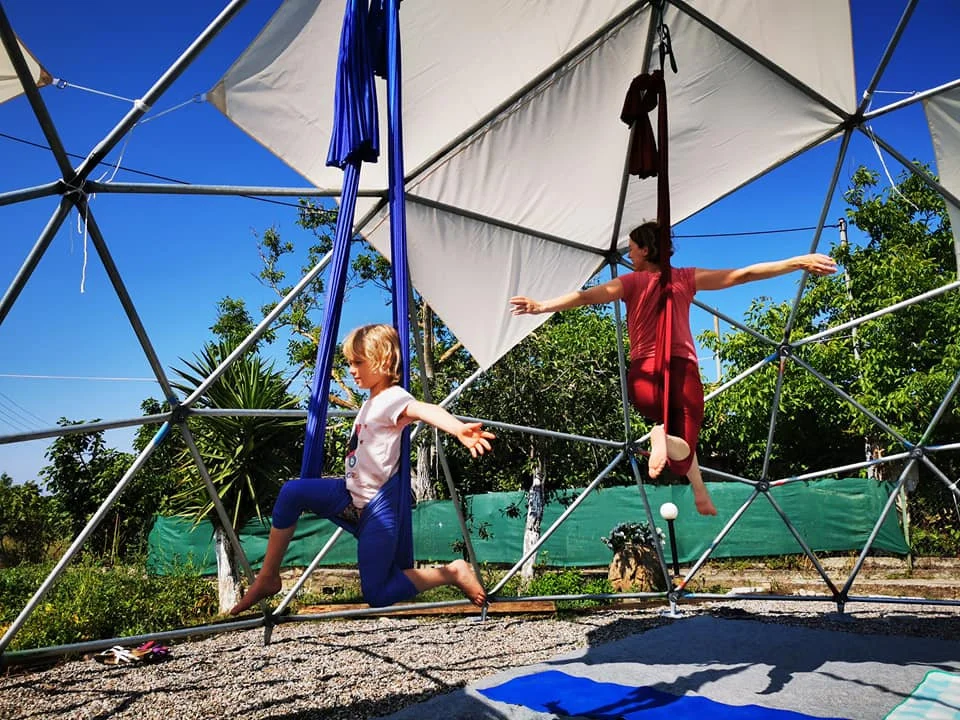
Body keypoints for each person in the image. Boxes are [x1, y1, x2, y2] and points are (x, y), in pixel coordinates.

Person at [510, 221, 837, 516]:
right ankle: (665, 441)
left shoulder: (631, 282)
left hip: (644, 380)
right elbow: (742, 275)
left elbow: (586, 297)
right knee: (682, 451)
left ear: (646, 250)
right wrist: (796, 262)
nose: (630, 254)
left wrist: (542, 306)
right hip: (682, 374)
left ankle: (694, 483)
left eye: (632, 248)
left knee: (678, 445)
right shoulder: (685, 277)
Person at [230, 323, 494, 615]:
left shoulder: (393, 397)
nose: (351, 370)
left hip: (375, 508)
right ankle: (269, 576)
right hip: (349, 493)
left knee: (377, 593)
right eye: (349, 363)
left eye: (358, 362)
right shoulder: (370, 402)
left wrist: (457, 429)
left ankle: (452, 572)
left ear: (383, 360)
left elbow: (423, 409)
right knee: (293, 492)